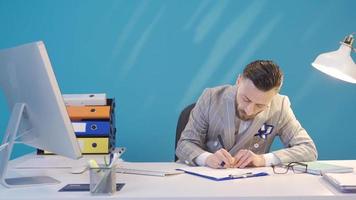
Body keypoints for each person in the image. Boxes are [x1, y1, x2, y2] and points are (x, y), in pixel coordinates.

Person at [176, 60, 317, 169]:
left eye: (260, 105)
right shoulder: (211, 97)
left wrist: (263, 159)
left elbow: (308, 149)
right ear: (238, 81)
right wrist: (206, 158)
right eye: (246, 99)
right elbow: (184, 144)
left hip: (250, 186)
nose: (250, 110)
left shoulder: (280, 105)